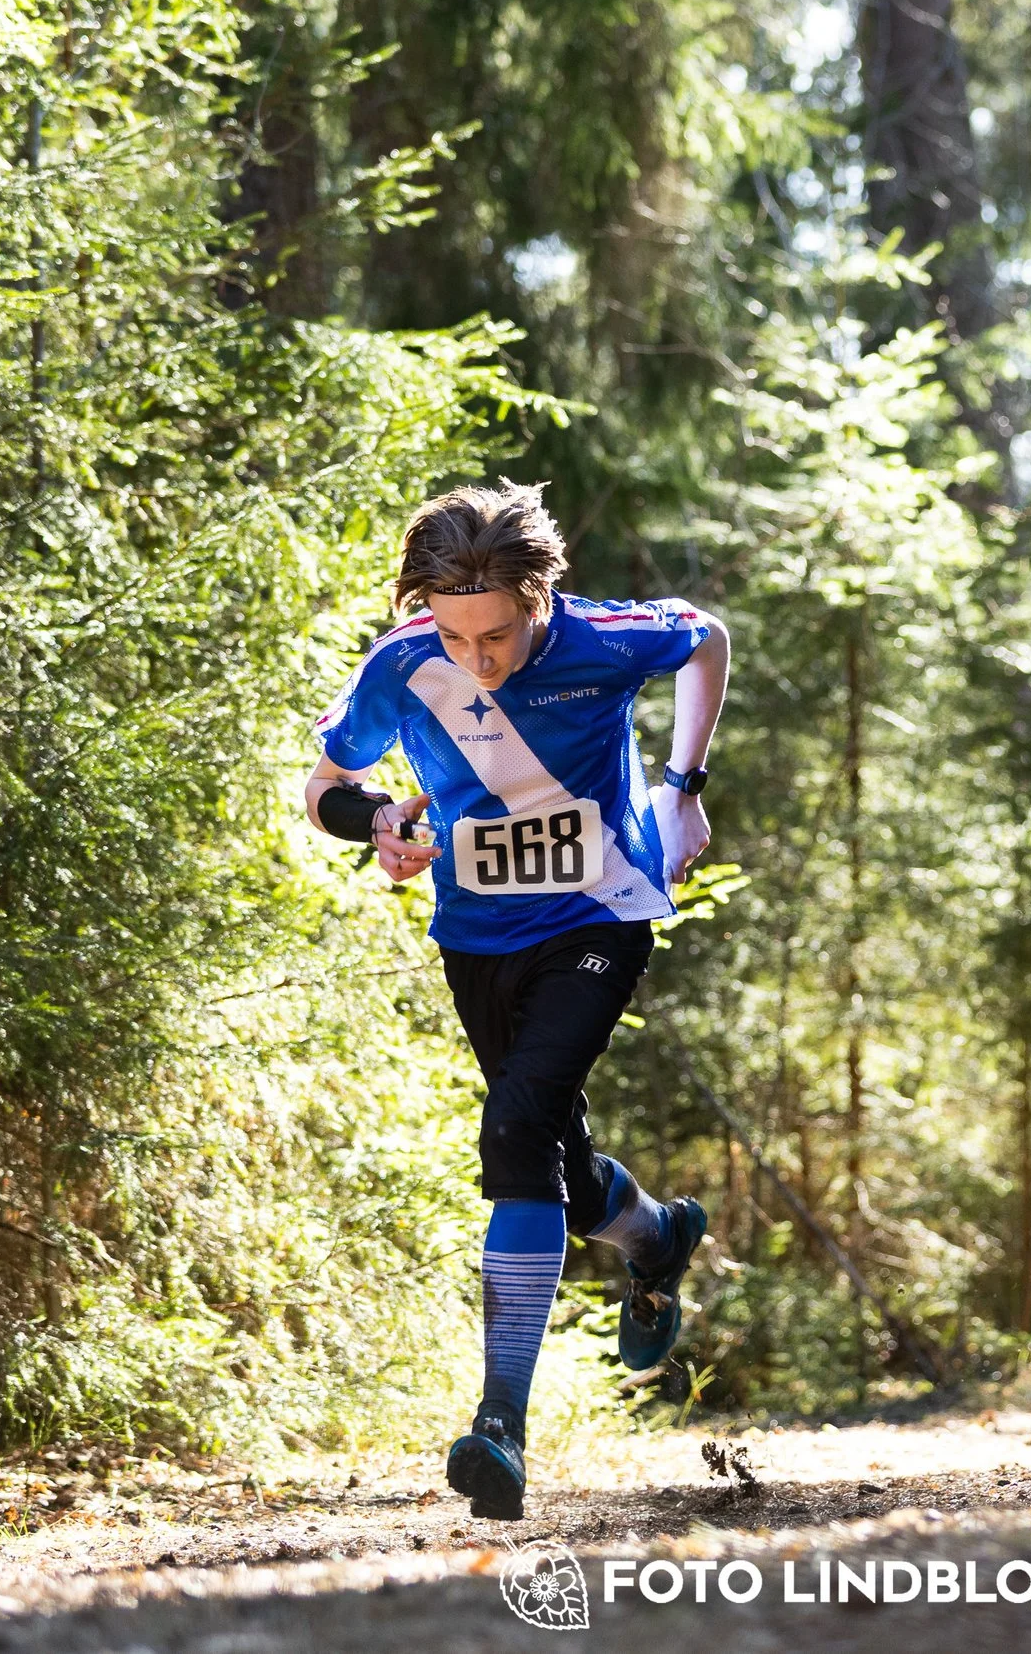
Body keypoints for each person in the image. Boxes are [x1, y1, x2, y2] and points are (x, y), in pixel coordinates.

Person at [302, 481, 727, 1521]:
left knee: (517, 1122)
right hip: (478, 936)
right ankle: (654, 1234)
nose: (476, 657)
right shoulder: (404, 662)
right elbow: (324, 785)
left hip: (601, 914)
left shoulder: (606, 642)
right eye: (455, 634)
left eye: (496, 633)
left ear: (539, 595)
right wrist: (379, 826)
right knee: (558, 1168)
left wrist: (683, 785)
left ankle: (501, 1422)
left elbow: (706, 637)